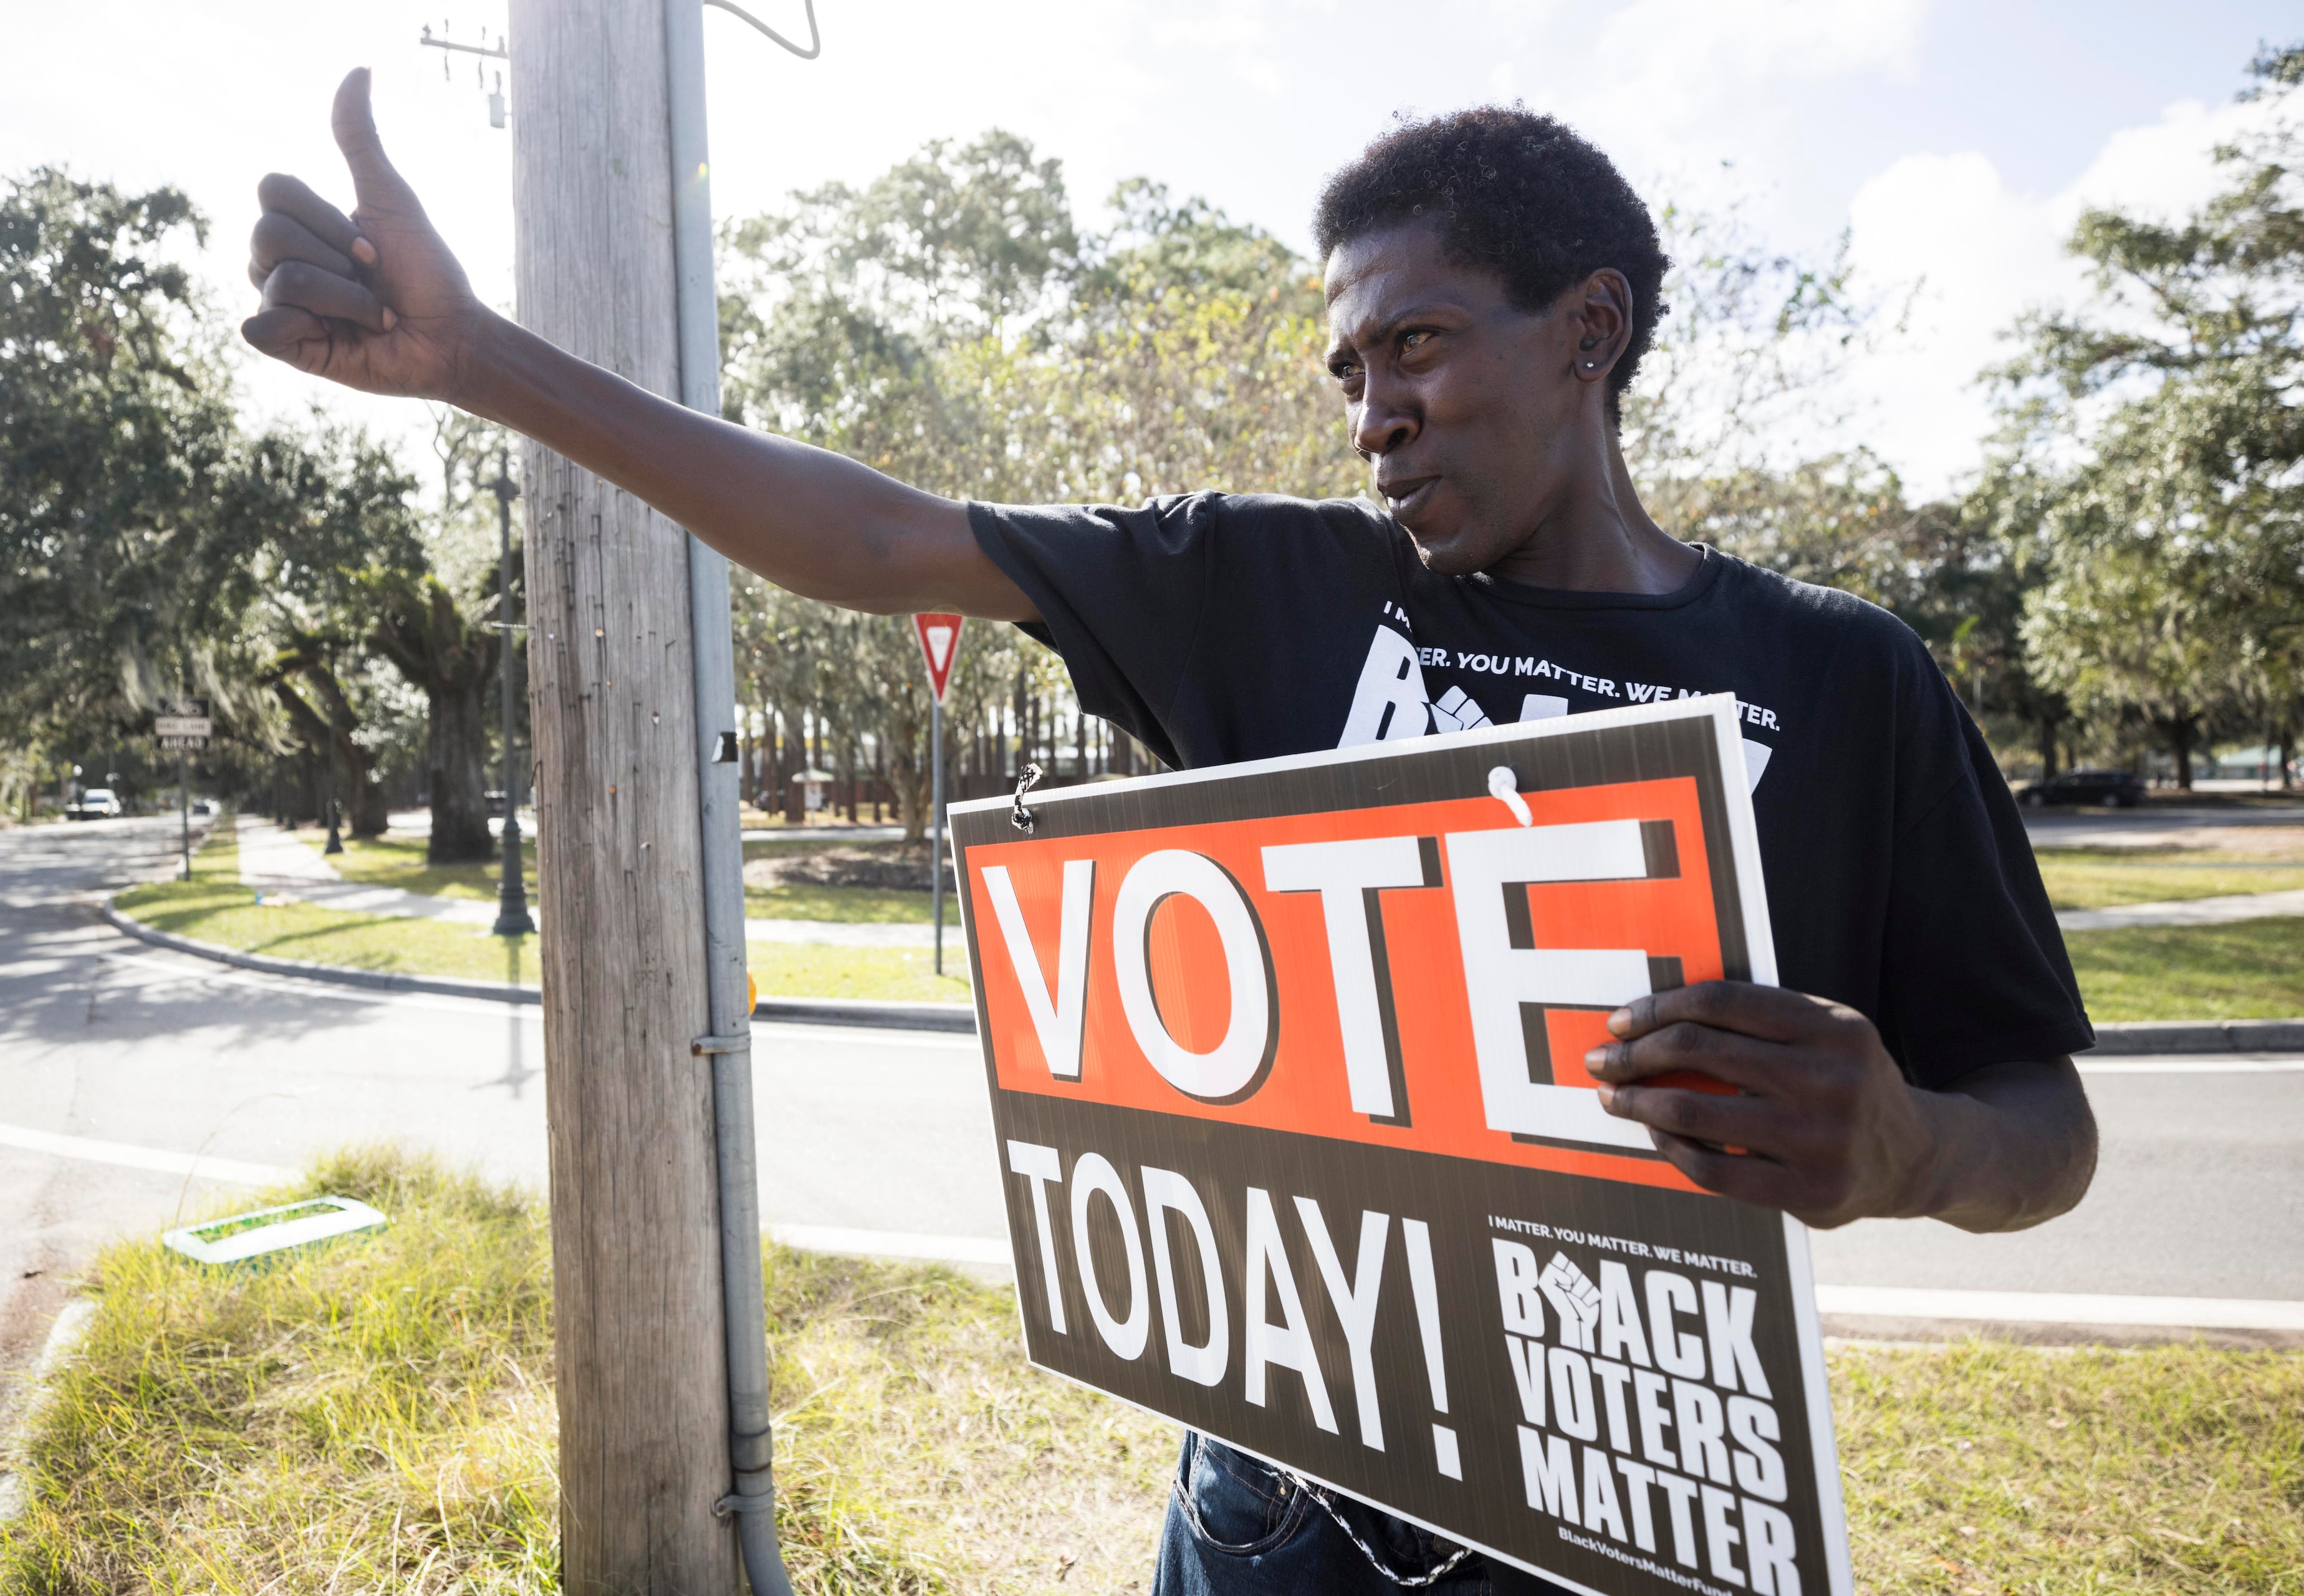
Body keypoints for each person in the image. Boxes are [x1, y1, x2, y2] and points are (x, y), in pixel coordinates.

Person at [246, 74, 2098, 1595]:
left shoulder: (1848, 680)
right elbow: (883, 540)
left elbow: (2046, 1122)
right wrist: (479, 360)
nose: (1375, 415)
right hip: (1275, 1516)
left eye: (1423, 346)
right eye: (1348, 372)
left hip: (1639, 1533)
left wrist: (1910, 1143)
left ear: (1590, 328)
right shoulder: (1271, 591)